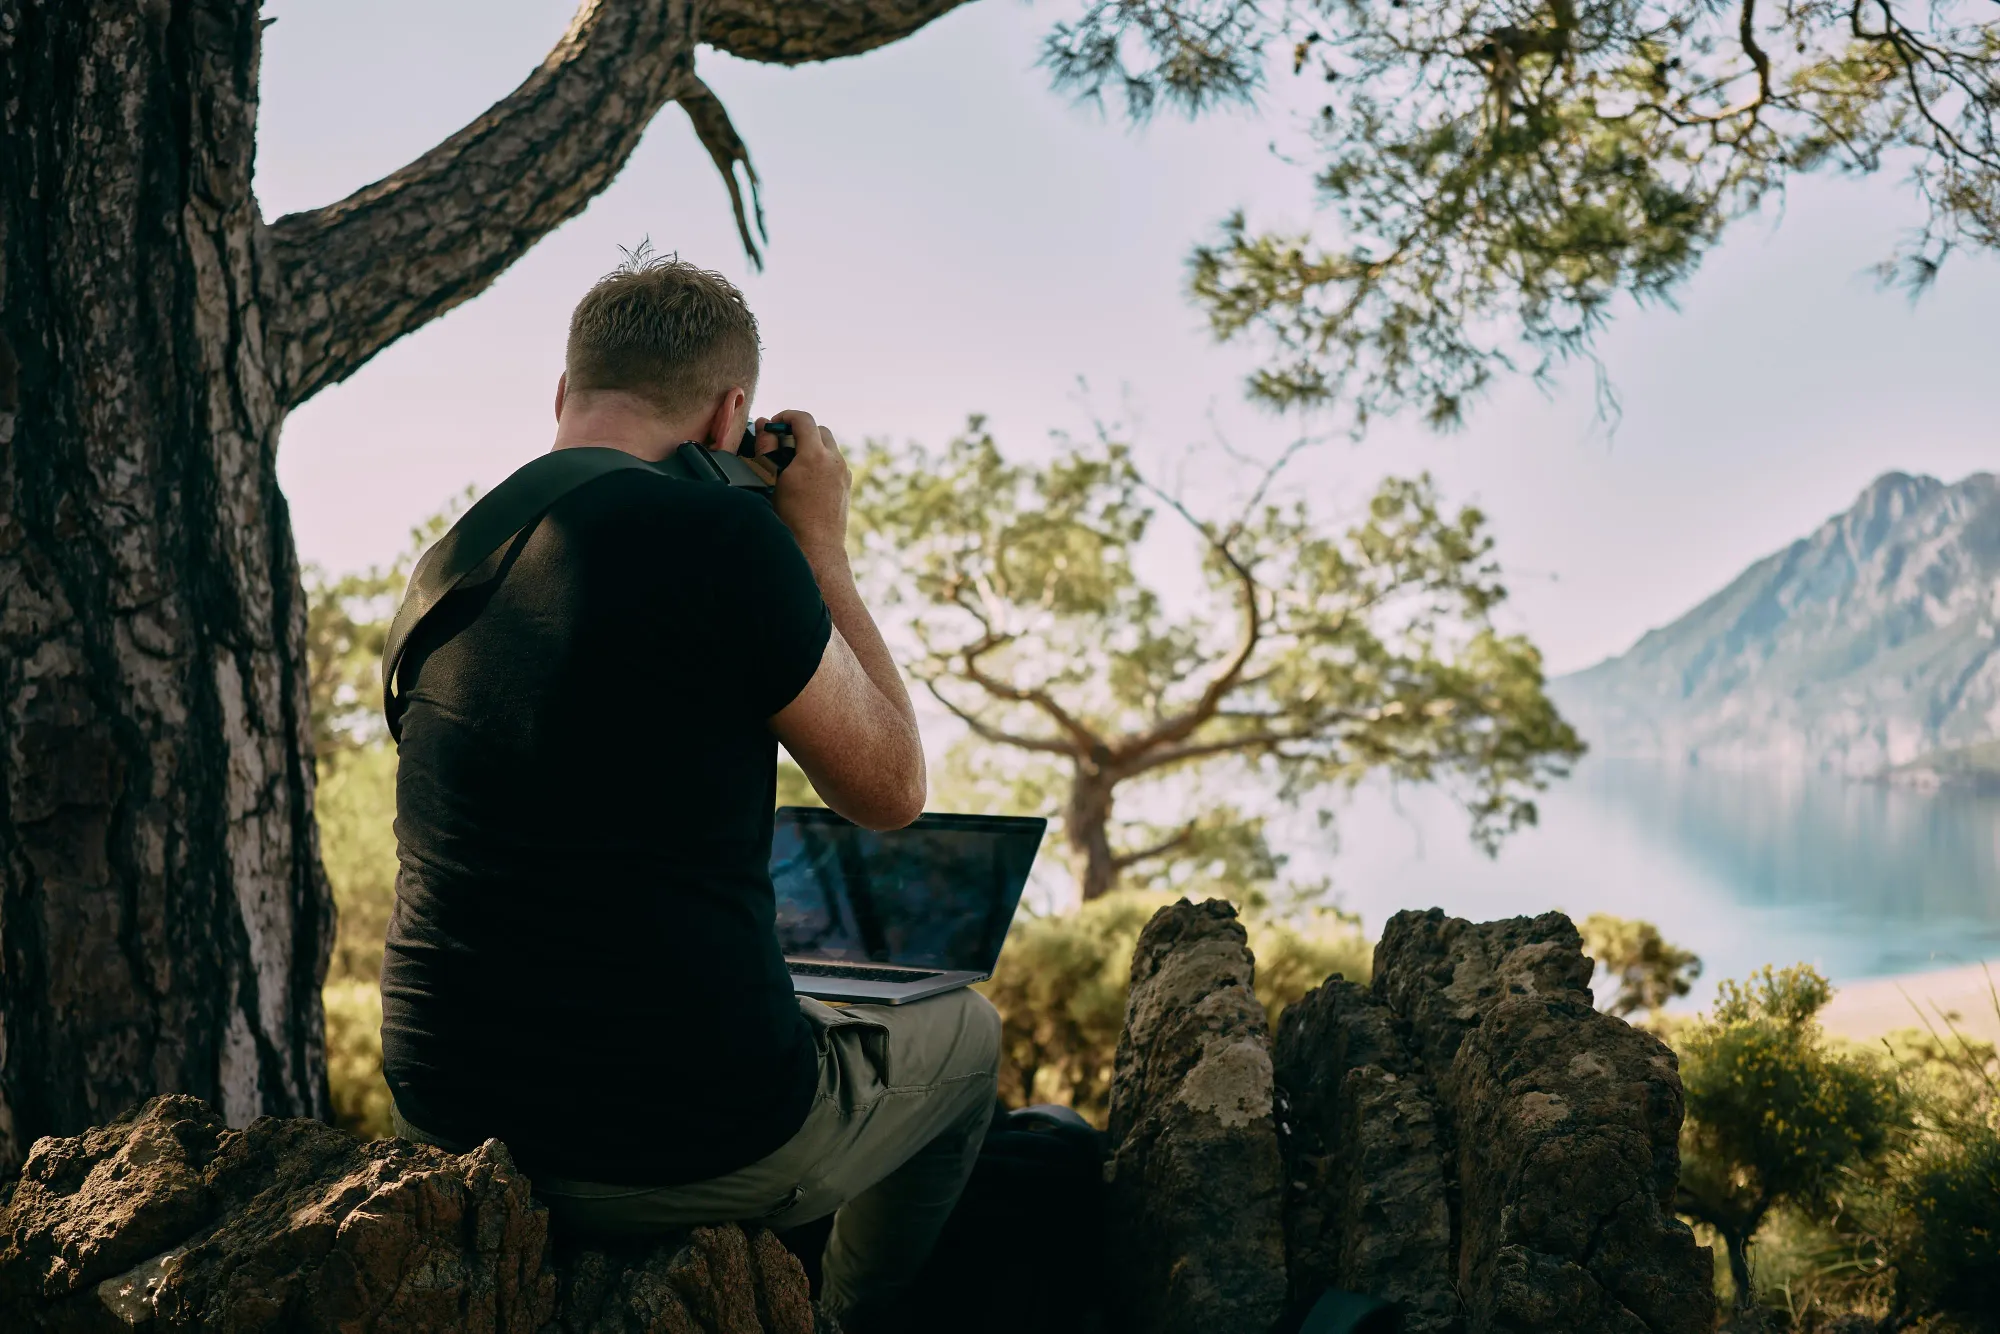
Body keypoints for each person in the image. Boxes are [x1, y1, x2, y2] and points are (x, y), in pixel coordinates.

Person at [379, 253, 1002, 1330]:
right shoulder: (727, 542)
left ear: (564, 394)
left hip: (451, 1109)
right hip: (679, 1139)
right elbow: (890, 787)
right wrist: (822, 547)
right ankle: (849, 1318)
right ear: (729, 419)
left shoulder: (445, 565)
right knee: (970, 1032)